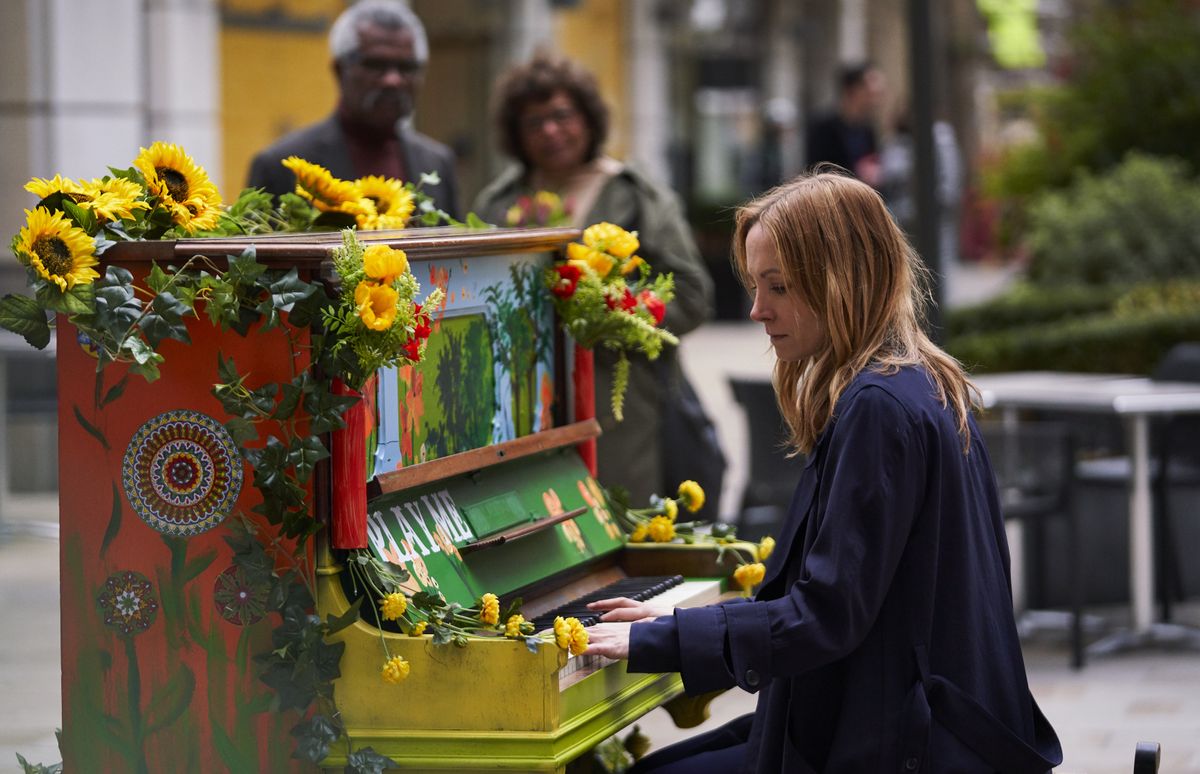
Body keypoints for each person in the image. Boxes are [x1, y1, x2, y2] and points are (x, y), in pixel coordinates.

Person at [585, 171, 1063, 773]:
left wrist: (662, 641)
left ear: (843, 281)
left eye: (778, 287)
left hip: (900, 744)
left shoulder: (878, 409)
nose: (757, 310)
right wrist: (683, 621)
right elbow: (841, 597)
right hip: (901, 723)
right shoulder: (918, 382)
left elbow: (824, 617)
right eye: (756, 286)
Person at [472, 53, 720, 515]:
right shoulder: (497, 202)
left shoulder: (635, 195)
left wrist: (611, 315)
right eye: (534, 122)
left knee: (617, 523)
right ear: (516, 133)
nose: (550, 131)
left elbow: (692, 294)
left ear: (588, 118)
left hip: (620, 410)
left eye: (562, 115)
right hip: (516, 406)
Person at [246, 0, 459, 217]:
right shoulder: (281, 167)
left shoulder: (437, 164)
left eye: (406, 67)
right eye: (375, 65)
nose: (393, 80)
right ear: (340, 70)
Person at [805, 63, 886, 187]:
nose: (876, 96)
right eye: (869, 90)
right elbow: (815, 173)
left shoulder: (867, 129)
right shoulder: (823, 128)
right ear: (852, 90)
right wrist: (857, 174)